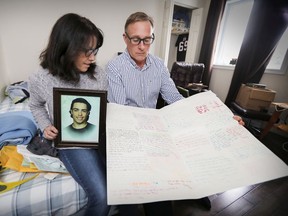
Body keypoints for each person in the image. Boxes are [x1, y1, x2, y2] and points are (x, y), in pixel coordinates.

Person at [107, 11, 245, 216]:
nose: (142, 46)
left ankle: (196, 188)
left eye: (147, 39)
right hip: (130, 135)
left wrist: (221, 119)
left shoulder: (159, 65)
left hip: (153, 130)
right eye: (136, 39)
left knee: (194, 139)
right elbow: (120, 113)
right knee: (143, 204)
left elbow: (176, 99)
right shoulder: (114, 68)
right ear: (125, 38)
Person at [28, 13, 110, 216]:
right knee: (102, 196)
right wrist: (46, 126)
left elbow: (102, 107)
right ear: (66, 48)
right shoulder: (41, 79)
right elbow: (36, 105)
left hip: (98, 137)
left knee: (123, 184)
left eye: (95, 50)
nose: (93, 58)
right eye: (86, 51)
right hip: (70, 143)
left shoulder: (99, 75)